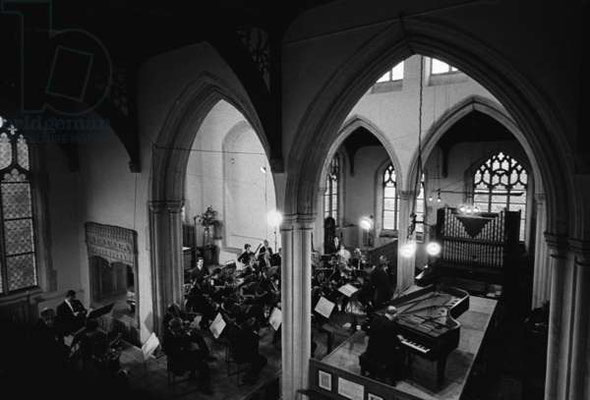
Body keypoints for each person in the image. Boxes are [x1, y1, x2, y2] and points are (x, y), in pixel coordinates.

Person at [163, 317, 212, 394]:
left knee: (198, 340)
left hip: (180, 356)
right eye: (181, 326)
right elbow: (178, 351)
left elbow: (180, 341)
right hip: (177, 363)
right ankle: (204, 386)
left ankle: (203, 357)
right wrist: (186, 338)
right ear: (176, 328)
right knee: (204, 365)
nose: (182, 328)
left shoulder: (170, 332)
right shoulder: (169, 338)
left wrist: (186, 334)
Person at [360, 306, 405, 383]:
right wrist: (399, 338)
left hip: (371, 349)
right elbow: (394, 343)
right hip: (382, 355)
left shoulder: (376, 319)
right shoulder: (391, 325)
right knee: (400, 354)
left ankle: (372, 372)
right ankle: (395, 377)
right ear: (394, 315)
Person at [228, 315, 267, 385]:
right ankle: (250, 376)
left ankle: (251, 372)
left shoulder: (233, 328)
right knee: (262, 360)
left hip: (233, 352)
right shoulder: (245, 332)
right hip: (240, 356)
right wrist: (259, 333)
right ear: (244, 322)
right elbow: (254, 340)